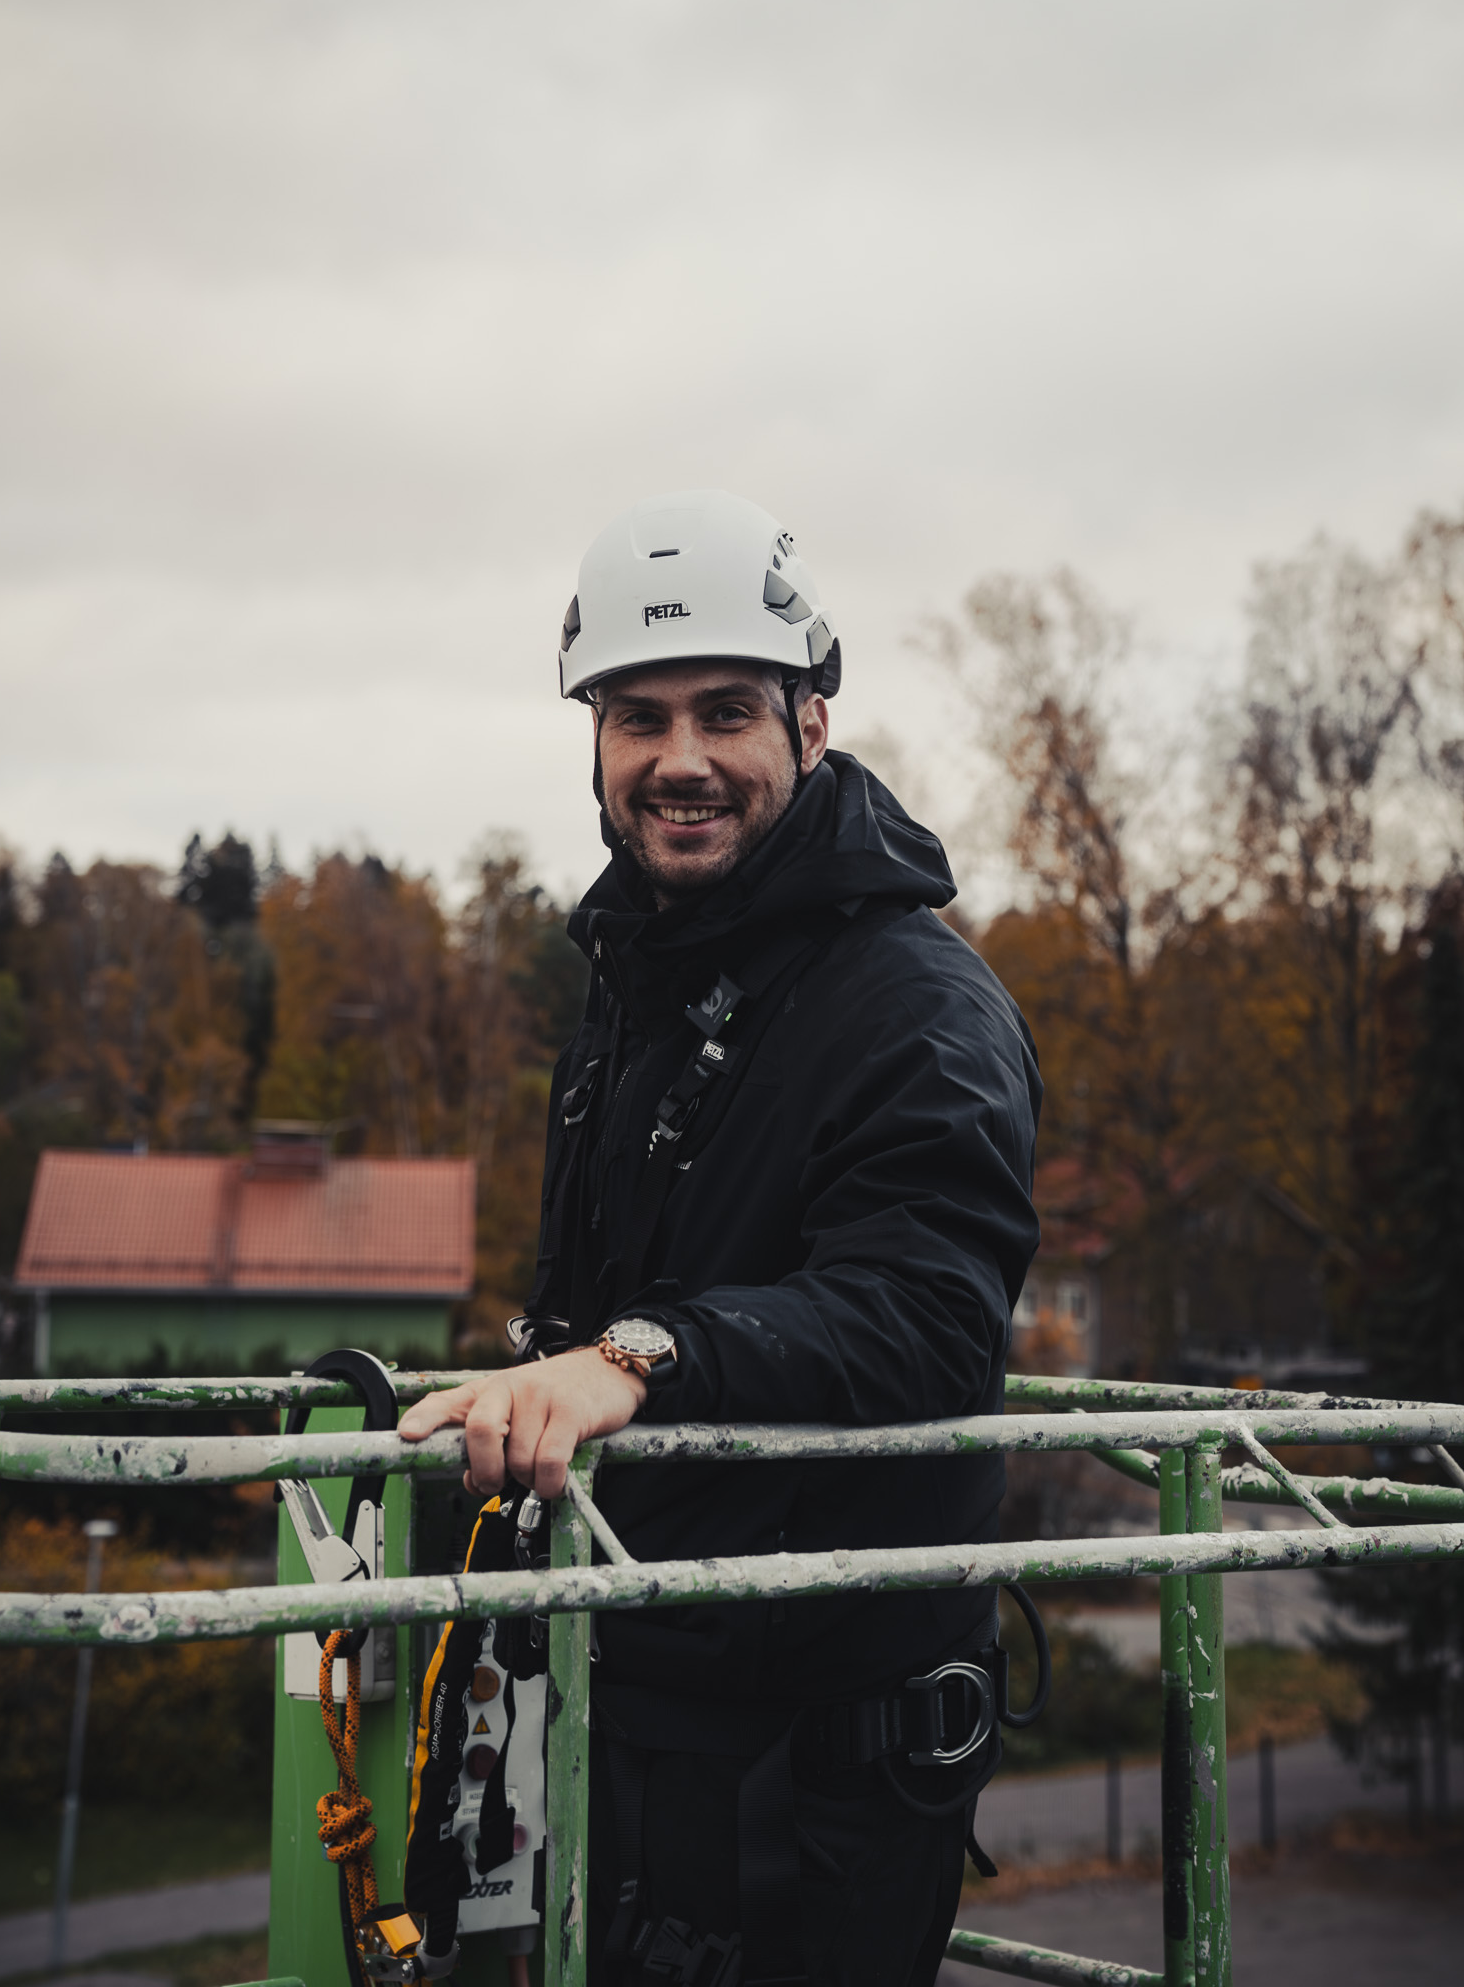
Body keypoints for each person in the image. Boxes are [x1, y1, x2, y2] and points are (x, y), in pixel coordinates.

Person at [400, 489, 1041, 1987]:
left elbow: (929, 1316)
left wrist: (638, 1358)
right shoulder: (643, 976)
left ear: (809, 728)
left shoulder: (914, 1004)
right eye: (637, 719)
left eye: (724, 713)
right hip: (645, 1694)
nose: (678, 760)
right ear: (597, 746)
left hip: (823, 1753)